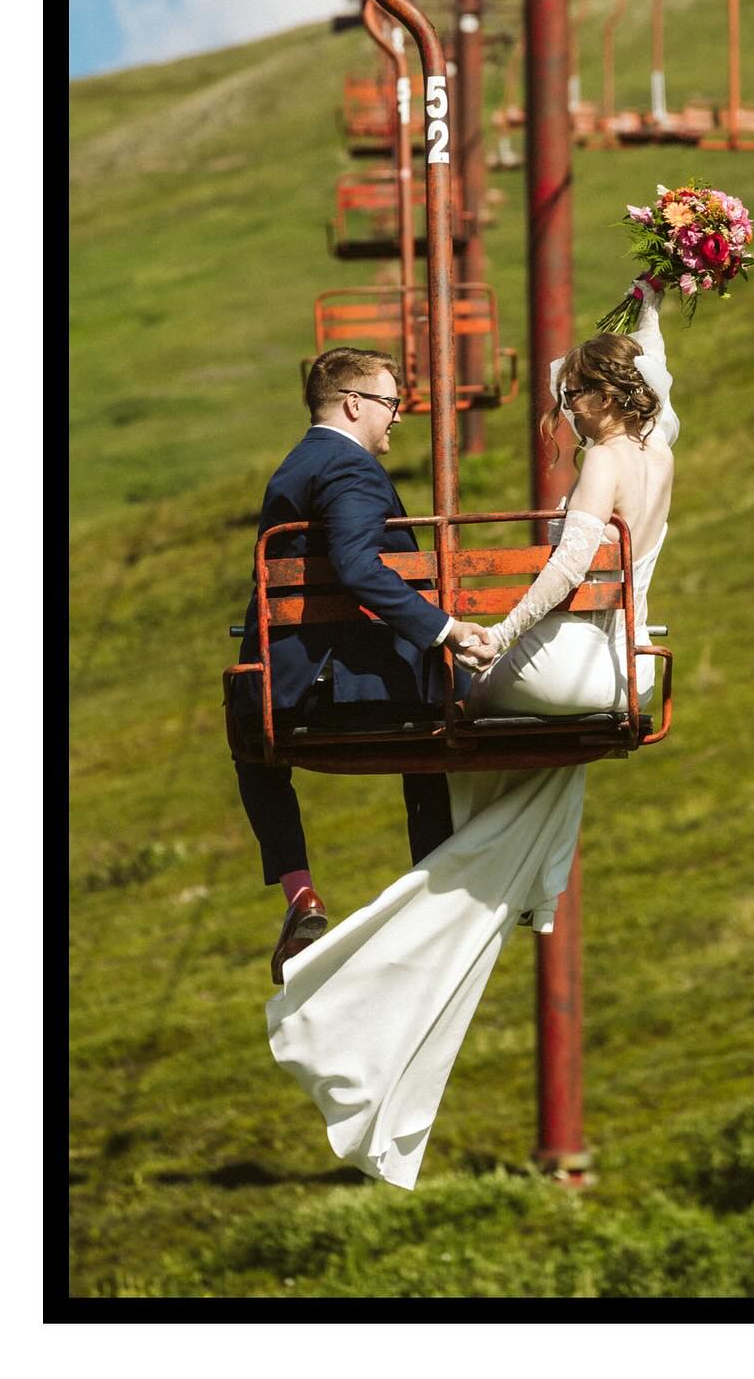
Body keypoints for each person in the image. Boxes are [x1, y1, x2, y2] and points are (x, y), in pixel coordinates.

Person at [266, 281, 676, 1186]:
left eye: (572, 397)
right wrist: (652, 303)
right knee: (542, 750)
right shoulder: (660, 451)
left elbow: (565, 566)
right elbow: (663, 383)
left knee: (452, 699)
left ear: (601, 397)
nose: (565, 414)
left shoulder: (599, 463)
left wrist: (481, 633)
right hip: (627, 666)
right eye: (391, 403)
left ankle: (458, 860)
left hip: (559, 661)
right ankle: (523, 881)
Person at [231, 345, 491, 984]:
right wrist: (446, 629)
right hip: (352, 691)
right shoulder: (352, 471)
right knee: (430, 723)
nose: (398, 416)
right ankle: (436, 881)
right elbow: (355, 565)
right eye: (390, 402)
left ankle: (299, 889)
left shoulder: (295, 465)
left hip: (283, 688)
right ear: (354, 404)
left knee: (246, 734)